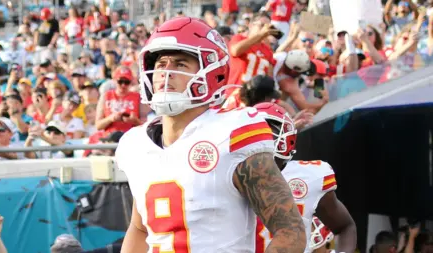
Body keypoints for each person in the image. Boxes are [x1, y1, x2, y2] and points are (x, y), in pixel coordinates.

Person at [116, 17, 305, 253]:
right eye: (161, 63)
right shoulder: (136, 144)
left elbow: (290, 230)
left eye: (180, 64)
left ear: (213, 73)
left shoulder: (232, 132)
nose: (165, 72)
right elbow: (140, 228)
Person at [253, 102, 357, 253]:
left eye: (269, 133)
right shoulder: (227, 175)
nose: (262, 141)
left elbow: (345, 226)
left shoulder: (309, 177)